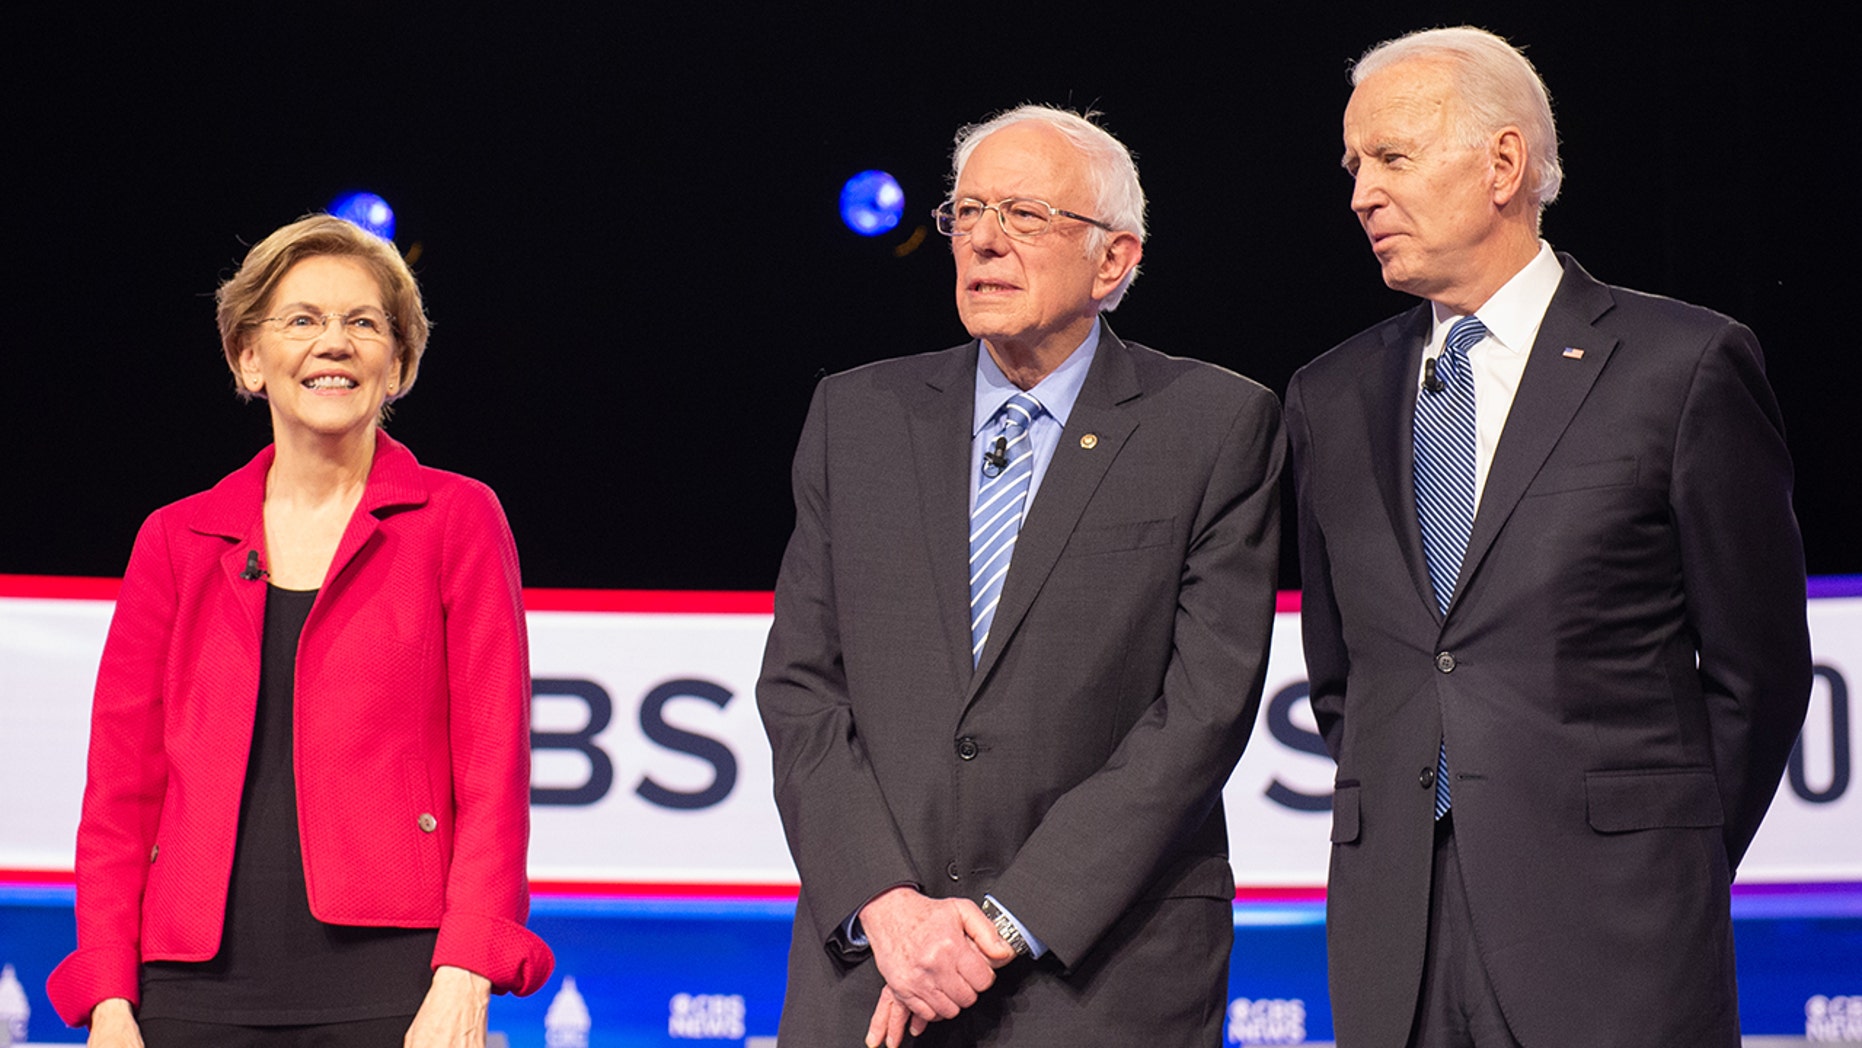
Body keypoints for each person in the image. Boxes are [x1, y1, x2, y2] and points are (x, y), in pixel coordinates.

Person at [1286, 26, 1812, 1048]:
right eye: (1353, 166)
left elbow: (1757, 668)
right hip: (1395, 939)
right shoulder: (1328, 394)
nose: (1358, 195)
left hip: (1618, 933)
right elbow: (1341, 674)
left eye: (1389, 157)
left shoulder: (1681, 364)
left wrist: (1661, 849)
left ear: (1502, 163)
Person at [757, 104, 1285, 1048]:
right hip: (876, 967)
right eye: (968, 213)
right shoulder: (857, 417)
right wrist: (887, 906)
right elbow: (800, 686)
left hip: (1103, 977)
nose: (985, 242)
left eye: (1027, 216)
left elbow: (1201, 713)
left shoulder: (1214, 425)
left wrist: (1005, 921)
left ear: (1114, 260)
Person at [46, 214, 553, 1046]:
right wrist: (109, 998)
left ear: (399, 363)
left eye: (363, 323)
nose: (335, 343)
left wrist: (465, 975)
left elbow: (494, 770)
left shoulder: (457, 519)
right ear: (250, 356)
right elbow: (118, 797)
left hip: (395, 985)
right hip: (185, 993)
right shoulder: (176, 541)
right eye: (303, 320)